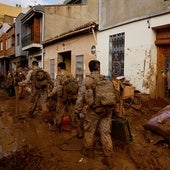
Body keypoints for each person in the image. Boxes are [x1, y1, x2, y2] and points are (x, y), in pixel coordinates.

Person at [74, 60, 115, 169]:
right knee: (106, 133)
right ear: (98, 68)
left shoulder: (87, 80)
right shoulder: (106, 79)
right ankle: (108, 158)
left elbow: (80, 97)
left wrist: (77, 110)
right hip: (107, 110)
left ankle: (89, 153)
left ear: (89, 68)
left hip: (93, 111)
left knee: (89, 131)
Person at [48, 62, 79, 133]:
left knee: (59, 112)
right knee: (72, 112)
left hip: (62, 97)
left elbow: (56, 87)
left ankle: (57, 126)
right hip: (71, 96)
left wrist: (50, 94)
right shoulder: (70, 75)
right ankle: (77, 127)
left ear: (59, 67)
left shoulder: (59, 76)